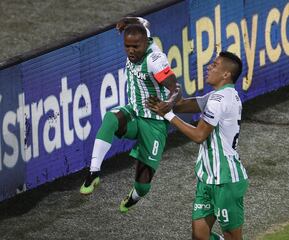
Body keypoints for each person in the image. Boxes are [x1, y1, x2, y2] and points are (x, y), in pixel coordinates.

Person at [80, 17, 181, 214]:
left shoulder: (154, 61)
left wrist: (168, 104)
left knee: (143, 186)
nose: (131, 51)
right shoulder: (140, 36)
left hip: (155, 122)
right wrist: (126, 20)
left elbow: (175, 88)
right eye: (127, 47)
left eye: (135, 47)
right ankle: (94, 173)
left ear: (146, 42)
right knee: (111, 118)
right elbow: (143, 22)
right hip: (135, 111)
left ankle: (134, 196)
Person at [147, 51, 248, 240]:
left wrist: (167, 115)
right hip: (207, 178)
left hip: (226, 180)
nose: (209, 67)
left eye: (215, 65)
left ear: (226, 74)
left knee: (233, 237)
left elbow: (199, 135)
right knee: (200, 236)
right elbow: (183, 105)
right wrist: (170, 93)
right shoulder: (218, 96)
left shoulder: (219, 100)